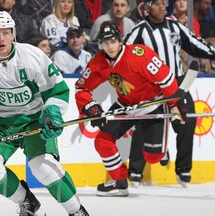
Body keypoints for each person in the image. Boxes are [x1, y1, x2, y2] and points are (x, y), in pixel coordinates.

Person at [0, 11, 89, 216]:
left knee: (43, 167)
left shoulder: (32, 56)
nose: (1, 39)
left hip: (34, 120)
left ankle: (76, 210)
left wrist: (52, 111)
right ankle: (27, 202)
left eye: (5, 33)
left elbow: (57, 90)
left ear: (13, 34)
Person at [75, 20, 183, 197]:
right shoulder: (99, 62)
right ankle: (119, 181)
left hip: (152, 104)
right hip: (126, 105)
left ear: (120, 40)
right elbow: (81, 88)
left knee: (153, 157)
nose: (109, 47)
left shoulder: (139, 55)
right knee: (102, 140)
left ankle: (161, 149)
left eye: (113, 42)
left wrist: (174, 106)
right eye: (105, 43)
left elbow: (166, 79)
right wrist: (90, 107)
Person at [124, 0, 215, 187]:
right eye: (157, 4)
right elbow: (124, 54)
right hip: (151, 86)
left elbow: (194, 43)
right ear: (147, 8)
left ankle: (183, 168)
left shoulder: (174, 25)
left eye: (164, 4)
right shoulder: (139, 30)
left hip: (176, 83)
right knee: (145, 124)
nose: (162, 7)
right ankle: (135, 170)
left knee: (187, 120)